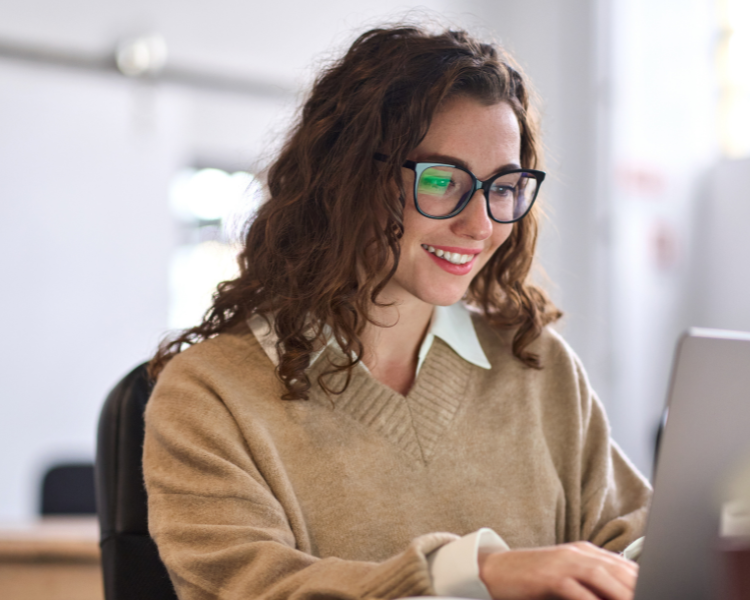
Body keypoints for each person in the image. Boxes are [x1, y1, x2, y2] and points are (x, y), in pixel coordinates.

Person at [143, 24, 651, 600]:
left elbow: (634, 544)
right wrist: (473, 575)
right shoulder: (209, 395)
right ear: (345, 179)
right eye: (441, 179)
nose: (481, 225)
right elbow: (255, 588)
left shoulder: (538, 367)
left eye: (503, 186)